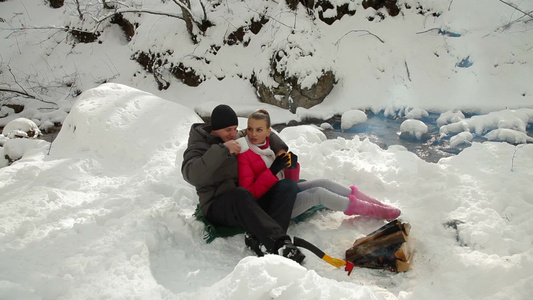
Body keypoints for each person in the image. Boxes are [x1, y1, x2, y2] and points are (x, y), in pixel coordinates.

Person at [181, 104, 305, 263]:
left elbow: (263, 133)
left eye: (235, 128)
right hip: (217, 206)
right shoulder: (199, 145)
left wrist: (280, 150)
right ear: (215, 129)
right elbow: (191, 174)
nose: (233, 134)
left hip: (246, 199)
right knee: (240, 194)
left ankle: (260, 240)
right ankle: (279, 243)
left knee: (287, 186)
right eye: (228, 130)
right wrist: (222, 149)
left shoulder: (232, 136)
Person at [237, 109, 401, 220]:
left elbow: (290, 184)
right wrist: (273, 171)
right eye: (250, 129)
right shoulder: (245, 155)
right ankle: (375, 212)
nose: (253, 134)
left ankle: (377, 204)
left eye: (259, 130)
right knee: (318, 194)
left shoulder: (270, 148)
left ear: (268, 132)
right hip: (272, 208)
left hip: (283, 194)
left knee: (324, 182)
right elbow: (249, 196)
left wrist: (291, 167)